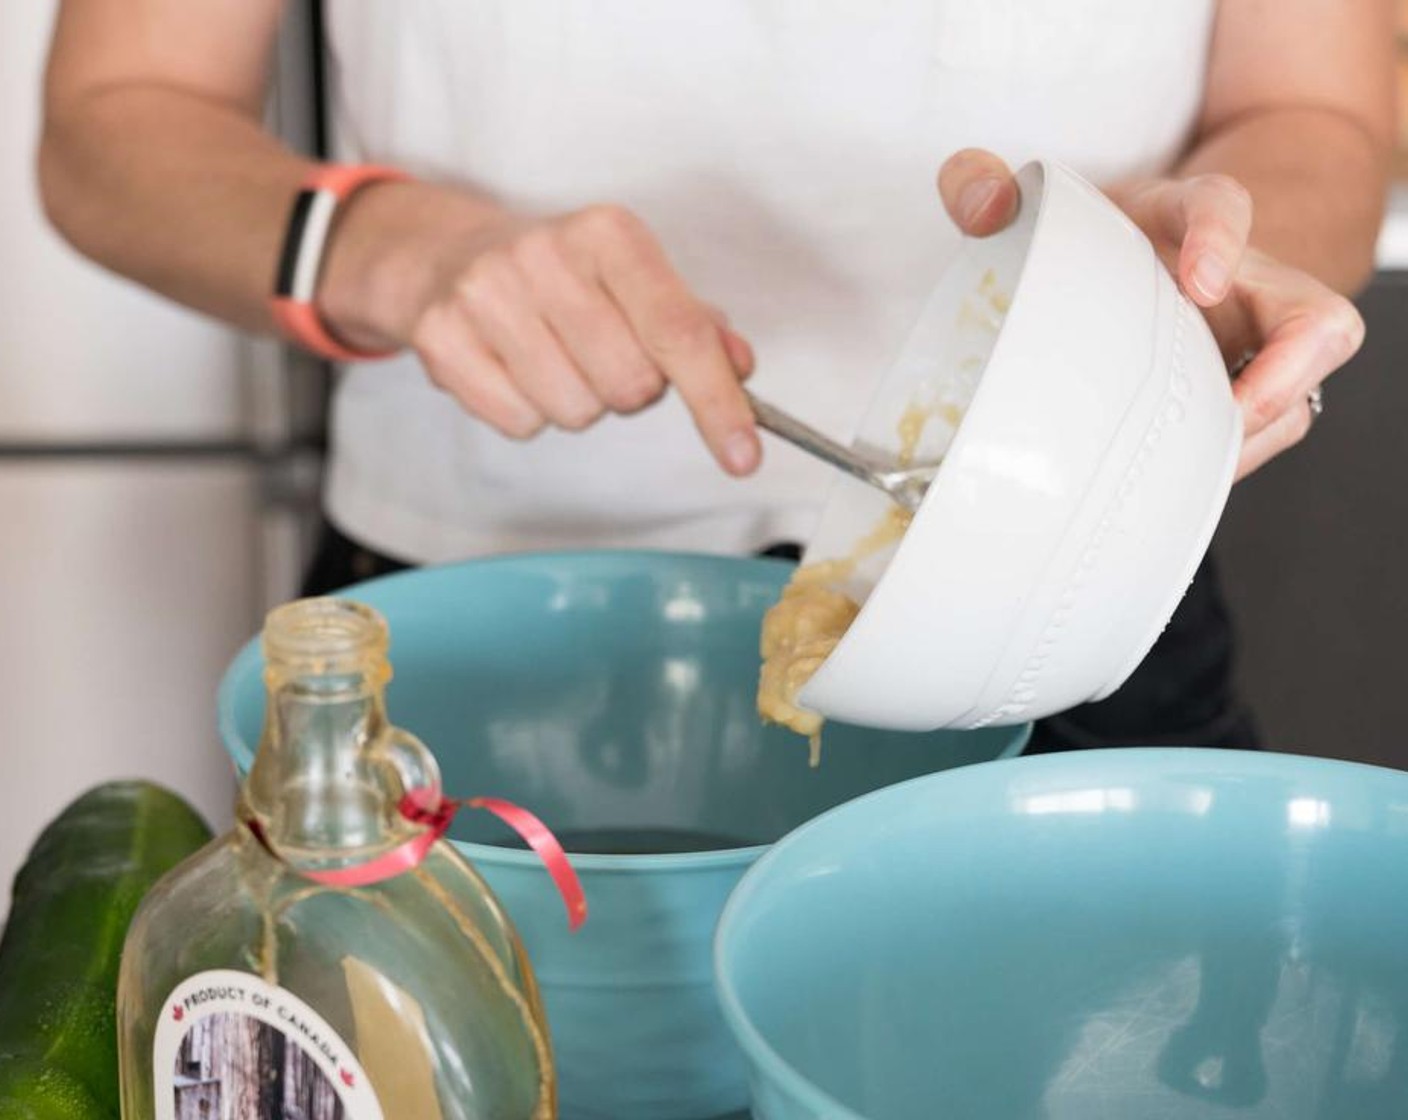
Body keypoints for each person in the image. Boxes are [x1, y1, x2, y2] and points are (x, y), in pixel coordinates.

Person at [38, 1, 1394, 751]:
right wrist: (382, 246)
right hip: (473, 622)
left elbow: (1318, 106)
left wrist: (1213, 274)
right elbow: (111, 124)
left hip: (1069, 619)